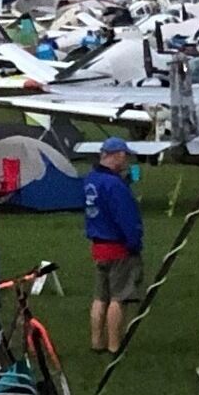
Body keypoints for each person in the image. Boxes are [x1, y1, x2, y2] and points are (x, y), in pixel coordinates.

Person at [81, 138, 145, 355]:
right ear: (115, 155)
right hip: (118, 247)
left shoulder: (91, 180)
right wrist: (134, 242)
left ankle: (96, 341)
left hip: (98, 246)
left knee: (100, 297)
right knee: (119, 297)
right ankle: (114, 345)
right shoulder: (115, 185)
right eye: (123, 155)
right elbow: (125, 217)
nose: (126, 159)